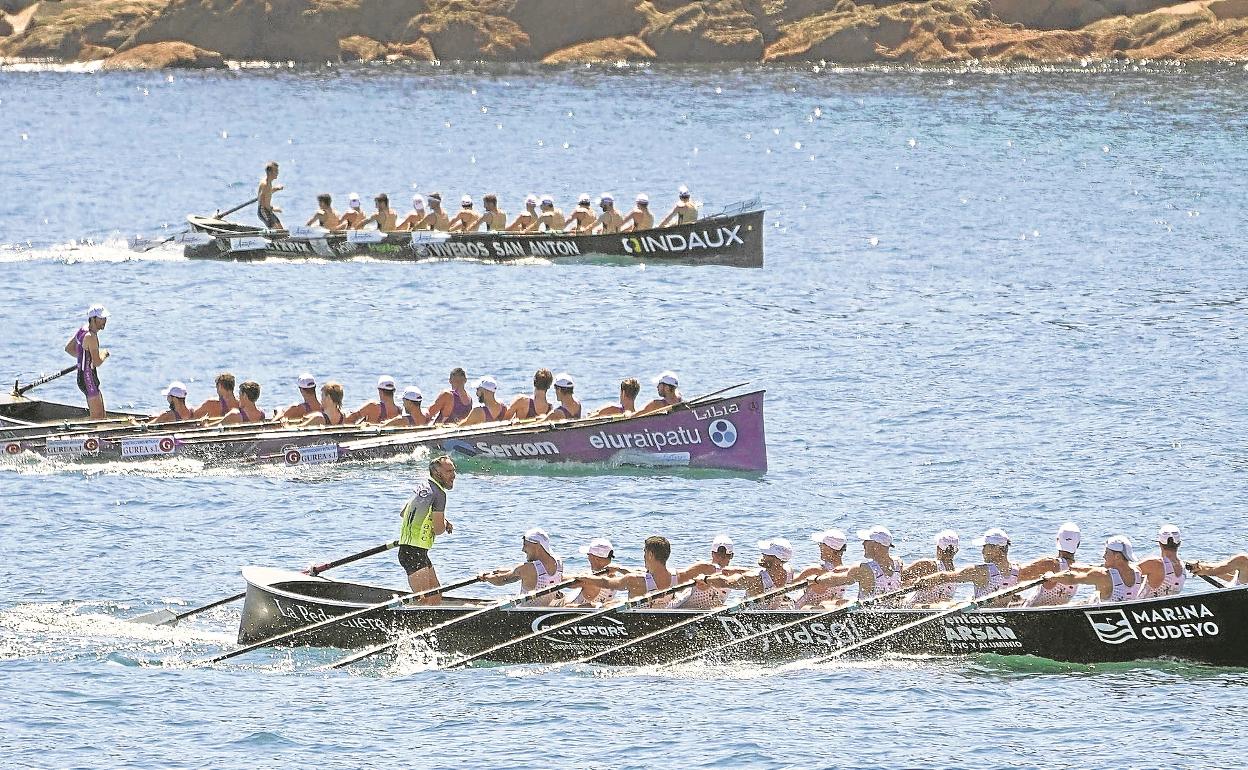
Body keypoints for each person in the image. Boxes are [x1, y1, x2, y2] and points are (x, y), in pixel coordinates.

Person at [908, 528, 1019, 608]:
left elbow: (946, 577)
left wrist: (925, 580)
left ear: (996, 548)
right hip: (998, 614)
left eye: (984, 547)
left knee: (953, 605)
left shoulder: (981, 571)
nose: (982, 551)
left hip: (981, 618)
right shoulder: (1016, 570)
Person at [398, 456, 456, 603]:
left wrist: (443, 520)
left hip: (414, 550)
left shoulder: (423, 487)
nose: (454, 475)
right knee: (424, 603)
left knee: (435, 597)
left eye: (453, 471)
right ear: (437, 473)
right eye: (449, 471)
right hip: (414, 552)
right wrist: (442, 524)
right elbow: (438, 530)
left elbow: (404, 513)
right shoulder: (440, 495)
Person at [806, 526, 907, 605]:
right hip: (893, 611)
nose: (863, 544)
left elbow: (836, 580)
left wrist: (816, 580)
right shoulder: (898, 563)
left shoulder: (864, 569)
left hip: (868, 616)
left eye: (866, 541)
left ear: (875, 545)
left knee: (821, 605)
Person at [573, 536, 682, 607]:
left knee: (598, 606)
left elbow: (607, 583)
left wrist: (586, 578)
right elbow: (641, 574)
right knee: (615, 602)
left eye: (644, 552)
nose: (643, 556)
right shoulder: (675, 576)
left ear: (650, 555)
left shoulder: (635, 580)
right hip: (659, 613)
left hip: (637, 617)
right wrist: (619, 568)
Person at [694, 539, 796, 610]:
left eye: (766, 553)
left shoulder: (753, 578)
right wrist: (738, 570)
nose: (762, 555)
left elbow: (724, 582)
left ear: (776, 560)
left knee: (719, 607)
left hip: (751, 617)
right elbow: (765, 573)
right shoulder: (789, 571)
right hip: (773, 613)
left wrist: (705, 579)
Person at [1042, 535, 1145, 603]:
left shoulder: (1103, 576)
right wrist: (1079, 567)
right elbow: (1098, 569)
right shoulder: (1137, 572)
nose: (1103, 556)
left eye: (1107, 553)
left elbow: (1071, 577)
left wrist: (1051, 577)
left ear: (1117, 557)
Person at [479, 528, 566, 607]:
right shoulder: (558, 563)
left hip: (525, 612)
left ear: (536, 545)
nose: (523, 549)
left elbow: (500, 580)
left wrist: (485, 577)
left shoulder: (526, 568)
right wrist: (505, 571)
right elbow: (533, 572)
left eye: (525, 545)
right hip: (546, 609)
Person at [674, 535, 748, 609]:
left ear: (732, 556)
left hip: (705, 610)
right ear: (712, 554)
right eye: (719, 555)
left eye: (727, 556)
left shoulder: (731, 575)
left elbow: (747, 573)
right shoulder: (705, 568)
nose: (722, 558)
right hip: (678, 608)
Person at [1019, 523, 1082, 607]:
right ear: (1078, 544)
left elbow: (1018, 574)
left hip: (1030, 610)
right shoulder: (1080, 569)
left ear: (1057, 540)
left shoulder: (1050, 563)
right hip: (1057, 611)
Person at [64, 304, 110, 419]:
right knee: (98, 417)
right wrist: (104, 354)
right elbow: (97, 362)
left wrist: (83, 360)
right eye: (101, 318)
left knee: (102, 415)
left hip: (84, 375)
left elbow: (69, 348)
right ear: (93, 319)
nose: (104, 321)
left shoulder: (83, 330)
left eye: (105, 318)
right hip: (88, 378)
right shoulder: (91, 337)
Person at [902, 530, 961, 607]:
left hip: (916, 609)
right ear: (956, 550)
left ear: (938, 548)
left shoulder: (927, 565)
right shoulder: (957, 573)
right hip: (939, 609)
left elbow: (898, 577)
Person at [794, 530, 851, 609]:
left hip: (800, 612)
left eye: (822, 544)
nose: (819, 546)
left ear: (831, 549)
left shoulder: (815, 570)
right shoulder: (846, 572)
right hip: (827, 612)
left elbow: (787, 584)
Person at [565, 538, 630, 607]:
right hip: (601, 607)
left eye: (588, 555)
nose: (588, 558)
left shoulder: (589, 579)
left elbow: (564, 580)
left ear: (595, 558)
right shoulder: (615, 579)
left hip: (575, 609)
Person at [1138, 524, 1185, 599]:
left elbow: (1125, 571)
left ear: (1159, 543)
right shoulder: (1183, 566)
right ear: (1179, 543)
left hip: (1141, 605)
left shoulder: (1155, 563)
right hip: (1169, 605)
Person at [257, 161, 284, 229]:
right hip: (263, 211)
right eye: (276, 171)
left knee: (281, 230)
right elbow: (263, 202)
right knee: (277, 232)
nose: (278, 173)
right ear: (269, 172)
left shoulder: (268, 182)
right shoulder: (265, 184)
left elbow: (267, 193)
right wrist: (274, 209)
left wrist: (276, 189)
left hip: (267, 210)